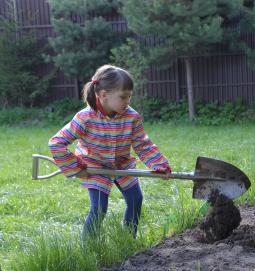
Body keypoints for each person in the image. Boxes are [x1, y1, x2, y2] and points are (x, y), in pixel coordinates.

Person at [48, 65, 171, 237]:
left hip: (122, 165)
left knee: (136, 200)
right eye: (123, 97)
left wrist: (159, 164)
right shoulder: (85, 118)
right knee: (99, 208)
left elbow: (142, 144)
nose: (127, 101)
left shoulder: (132, 117)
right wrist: (75, 168)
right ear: (104, 94)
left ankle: (128, 240)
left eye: (129, 97)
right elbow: (57, 143)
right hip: (94, 166)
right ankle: (88, 249)